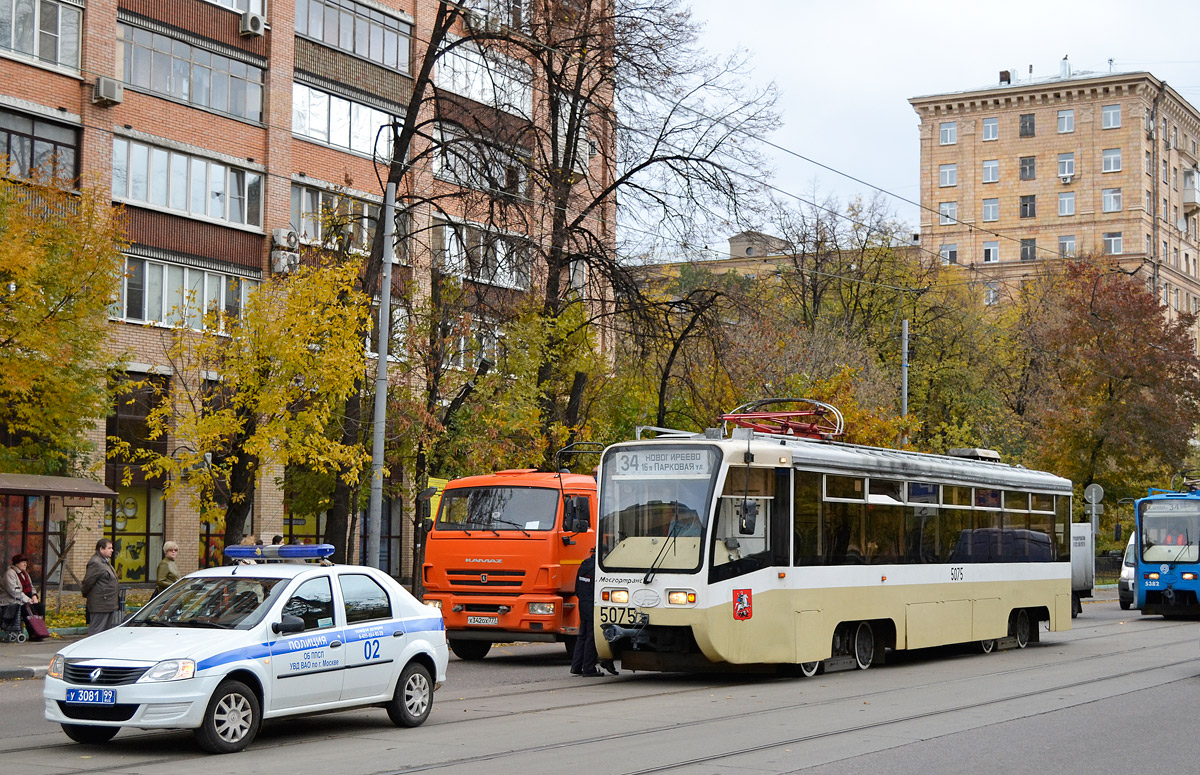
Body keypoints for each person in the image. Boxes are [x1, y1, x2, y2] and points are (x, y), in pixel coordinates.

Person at [570, 549, 618, 677]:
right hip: (593, 605)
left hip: (583, 604)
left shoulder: (584, 565)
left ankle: (576, 666)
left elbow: (577, 589)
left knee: (582, 636)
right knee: (592, 637)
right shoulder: (599, 569)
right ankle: (589, 668)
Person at [81, 539, 121, 635]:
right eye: (109, 548)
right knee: (97, 631)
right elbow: (87, 582)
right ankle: (92, 648)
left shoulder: (104, 562)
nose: (112, 550)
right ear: (101, 549)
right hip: (100, 604)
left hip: (108, 603)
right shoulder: (96, 563)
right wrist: (86, 594)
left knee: (106, 632)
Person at [2, 554, 45, 642]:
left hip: (23, 600)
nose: (25, 564)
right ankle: (34, 633)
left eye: (26, 562)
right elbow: (14, 591)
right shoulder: (10, 573)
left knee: (40, 607)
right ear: (16, 563)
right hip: (11, 601)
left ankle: (40, 631)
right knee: (28, 608)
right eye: (23, 562)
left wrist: (34, 596)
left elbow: (31, 587)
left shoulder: (25, 574)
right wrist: (28, 600)